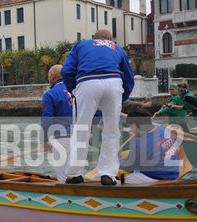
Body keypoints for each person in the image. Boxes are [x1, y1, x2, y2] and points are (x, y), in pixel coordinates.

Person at [61, 29, 135, 185]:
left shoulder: (80, 45)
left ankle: (74, 174)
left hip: (88, 81)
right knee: (112, 130)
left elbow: (66, 71)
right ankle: (107, 174)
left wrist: (74, 90)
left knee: (81, 128)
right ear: (109, 39)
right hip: (114, 82)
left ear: (94, 38)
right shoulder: (117, 48)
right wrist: (123, 97)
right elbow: (129, 78)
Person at [119, 108, 179, 184]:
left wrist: (116, 162)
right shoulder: (164, 130)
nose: (130, 130)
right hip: (174, 173)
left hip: (155, 177)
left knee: (122, 179)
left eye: (130, 127)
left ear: (135, 125)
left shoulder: (140, 143)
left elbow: (129, 167)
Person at [40, 65, 73, 182]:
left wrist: (43, 141)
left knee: (63, 178)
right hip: (80, 138)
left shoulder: (50, 94)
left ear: (51, 76)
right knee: (75, 176)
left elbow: (46, 120)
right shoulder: (76, 91)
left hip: (61, 140)